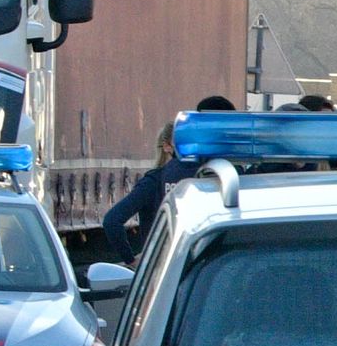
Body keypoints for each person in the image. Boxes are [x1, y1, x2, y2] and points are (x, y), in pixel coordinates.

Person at [91, 96, 236, 263]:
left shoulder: (156, 180)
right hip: (212, 269)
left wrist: (132, 262)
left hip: (165, 272)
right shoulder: (232, 178)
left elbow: (112, 221)